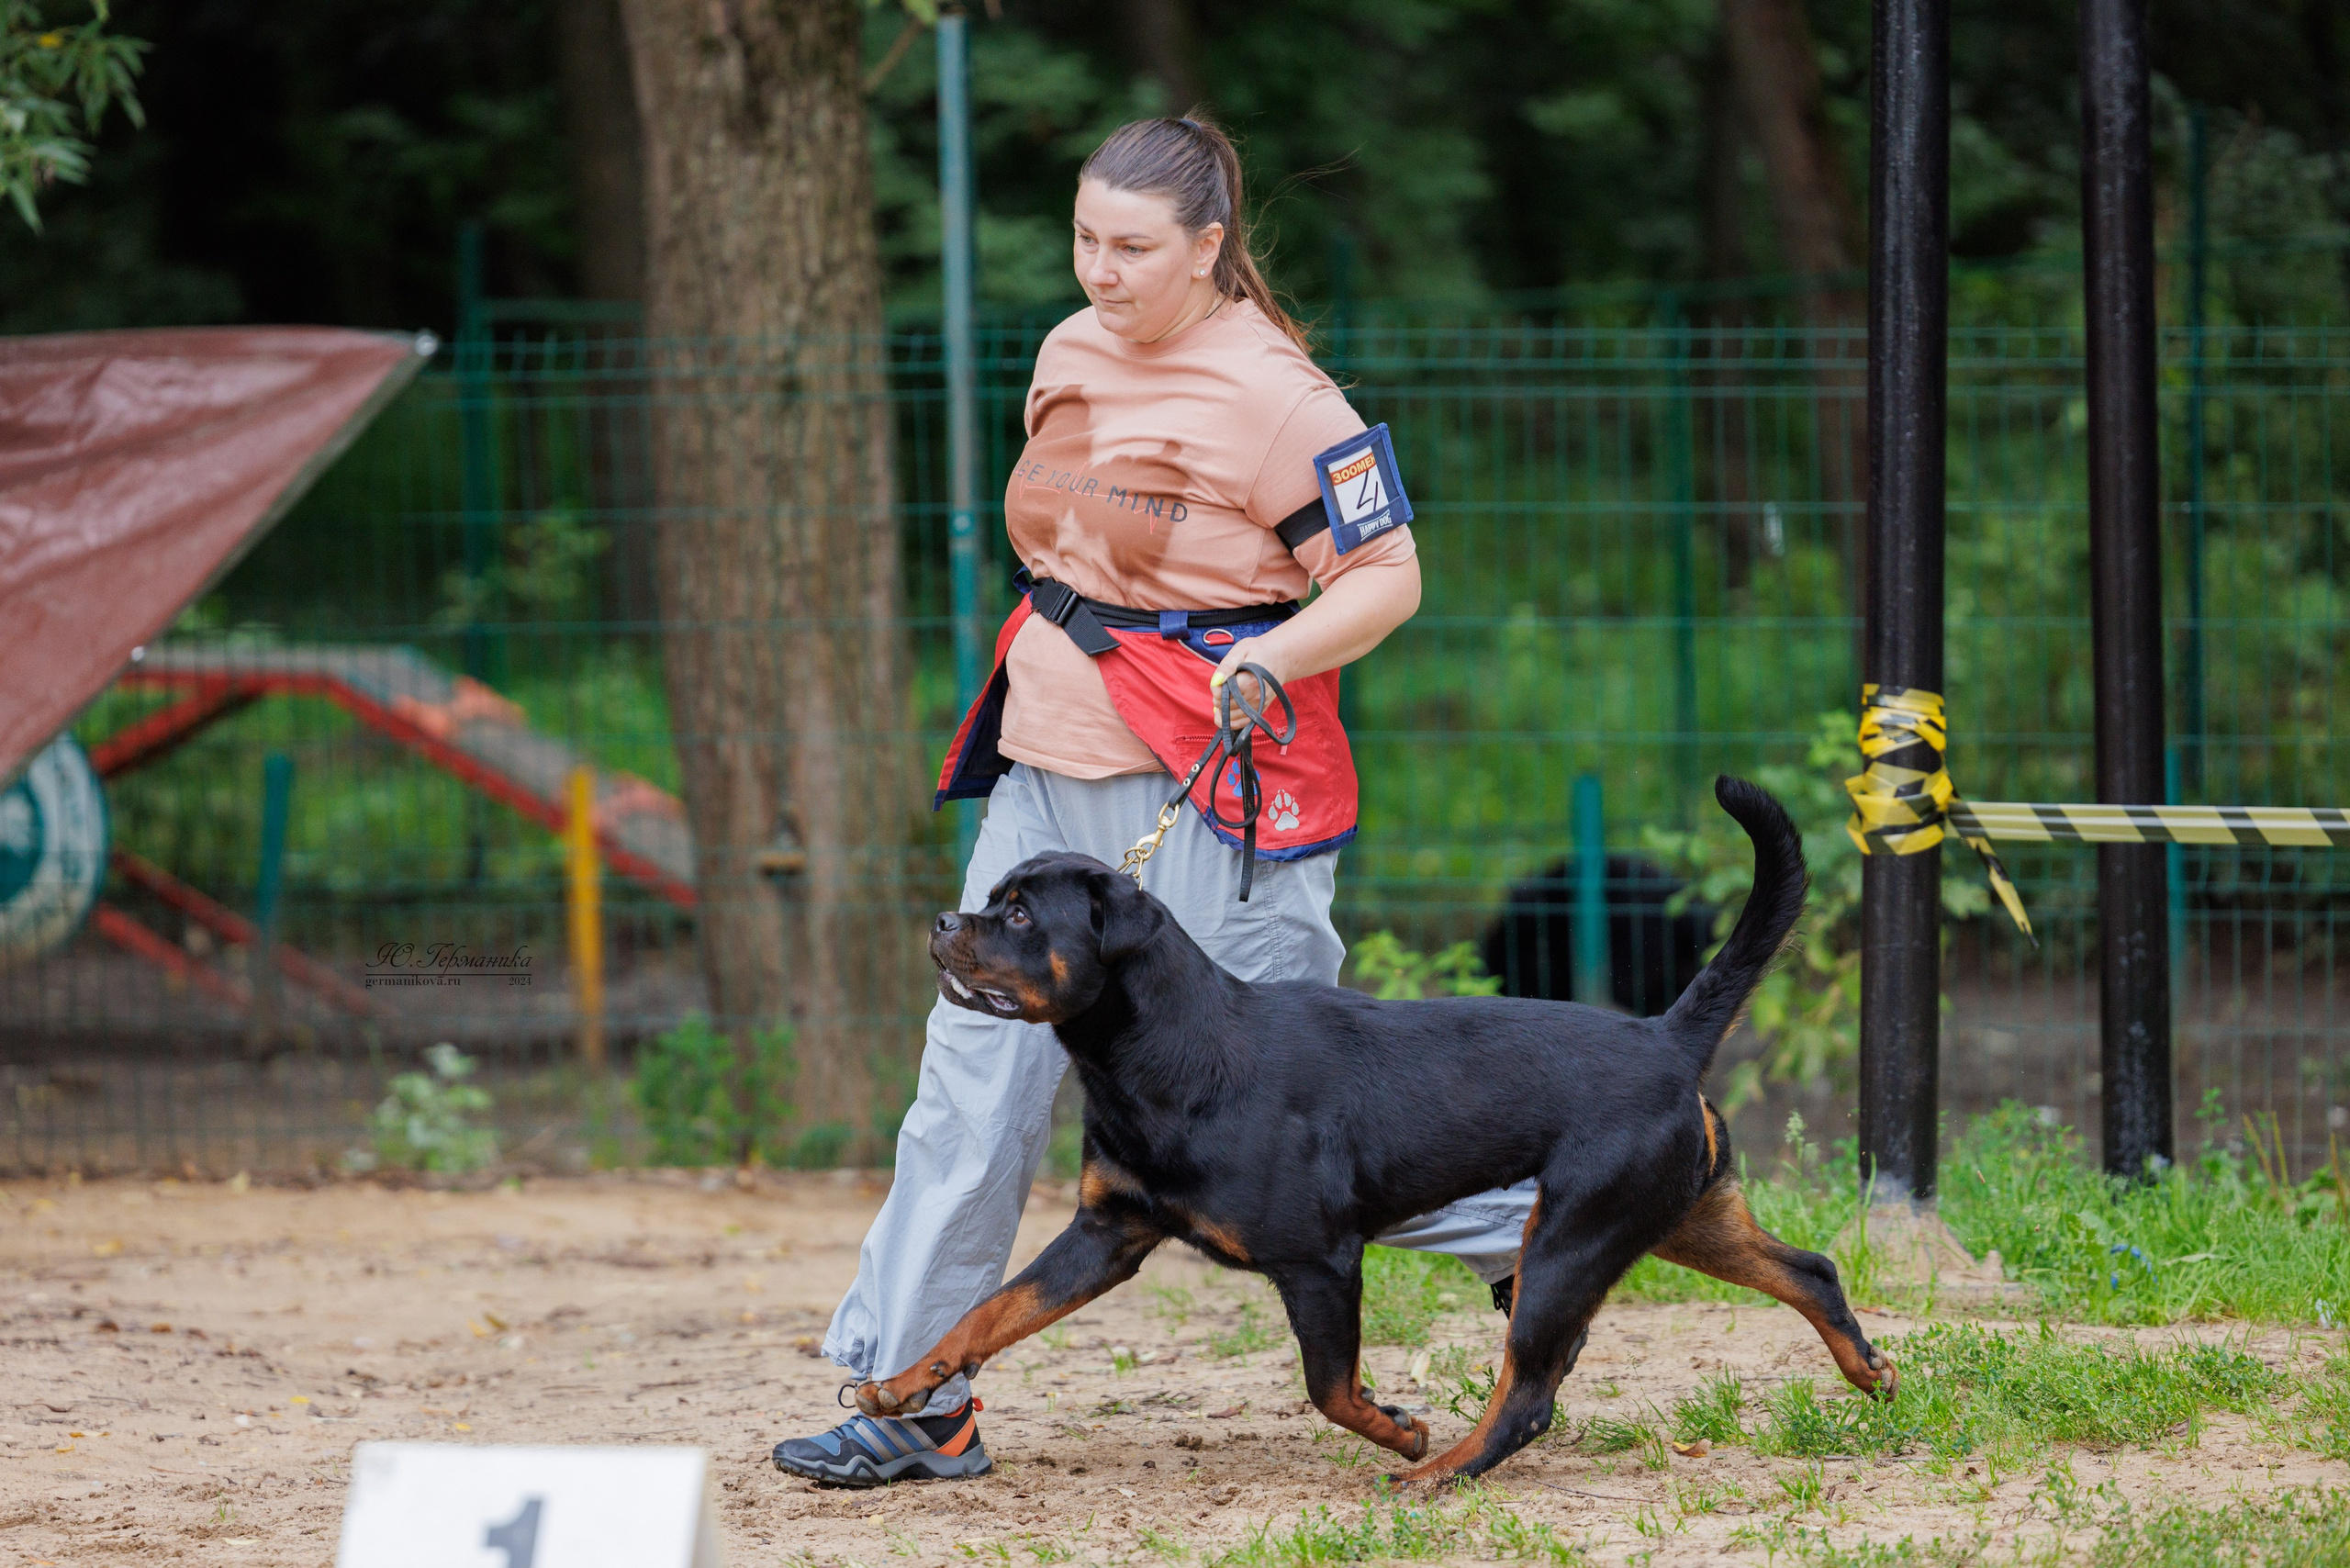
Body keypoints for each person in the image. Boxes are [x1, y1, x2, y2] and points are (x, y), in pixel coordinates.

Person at [774, 116, 1534, 1489]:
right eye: (1085, 239)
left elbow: (1388, 580)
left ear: (1208, 246)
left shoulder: (1286, 401)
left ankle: (1535, 1223)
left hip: (1209, 787)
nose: (1100, 270)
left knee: (1289, 1120)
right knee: (968, 1091)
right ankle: (912, 1397)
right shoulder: (1068, 350)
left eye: (1131, 247)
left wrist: (1274, 653)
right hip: (1042, 777)